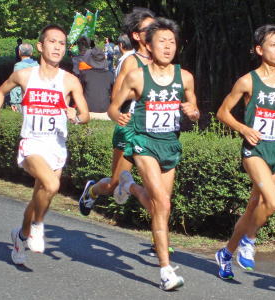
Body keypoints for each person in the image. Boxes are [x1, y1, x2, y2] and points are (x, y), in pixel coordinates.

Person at [214, 24, 275, 280]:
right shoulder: (248, 81)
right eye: (273, 44)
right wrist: (243, 128)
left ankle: (226, 253)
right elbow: (222, 112)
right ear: (259, 49)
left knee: (253, 209)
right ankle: (249, 239)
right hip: (254, 150)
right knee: (274, 201)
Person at [0, 24, 90, 265]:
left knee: (39, 197)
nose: (57, 47)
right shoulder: (25, 75)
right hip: (32, 143)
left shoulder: (70, 81)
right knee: (51, 184)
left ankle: (20, 236)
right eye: (52, 42)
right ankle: (37, 226)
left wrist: (75, 115)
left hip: (56, 146)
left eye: (62, 43)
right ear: (41, 46)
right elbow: (0, 92)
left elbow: (84, 115)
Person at [108, 17, 200, 291]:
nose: (168, 46)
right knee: (163, 203)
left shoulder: (185, 76)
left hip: (169, 144)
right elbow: (113, 106)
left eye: (172, 42)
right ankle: (165, 269)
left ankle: (130, 186)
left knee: (161, 205)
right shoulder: (137, 76)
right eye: (162, 41)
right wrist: (119, 116)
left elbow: (194, 108)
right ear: (148, 44)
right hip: (143, 141)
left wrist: (192, 112)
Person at [78, 7, 154, 216]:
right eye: (148, 29)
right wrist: (142, 92)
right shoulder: (132, 61)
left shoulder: (163, 59)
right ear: (137, 36)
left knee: (159, 190)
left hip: (154, 131)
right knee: (114, 184)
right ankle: (91, 191)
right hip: (129, 127)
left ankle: (161, 245)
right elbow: (116, 97)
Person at [79, 47, 113, 119]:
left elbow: (80, 91)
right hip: (105, 112)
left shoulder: (85, 74)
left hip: (88, 111)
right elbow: (112, 94)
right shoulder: (110, 75)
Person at [10, 43, 39, 112]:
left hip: (21, 99)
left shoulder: (18, 66)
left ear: (19, 52)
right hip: (35, 98)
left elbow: (15, 85)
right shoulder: (37, 65)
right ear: (31, 53)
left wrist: (13, 101)